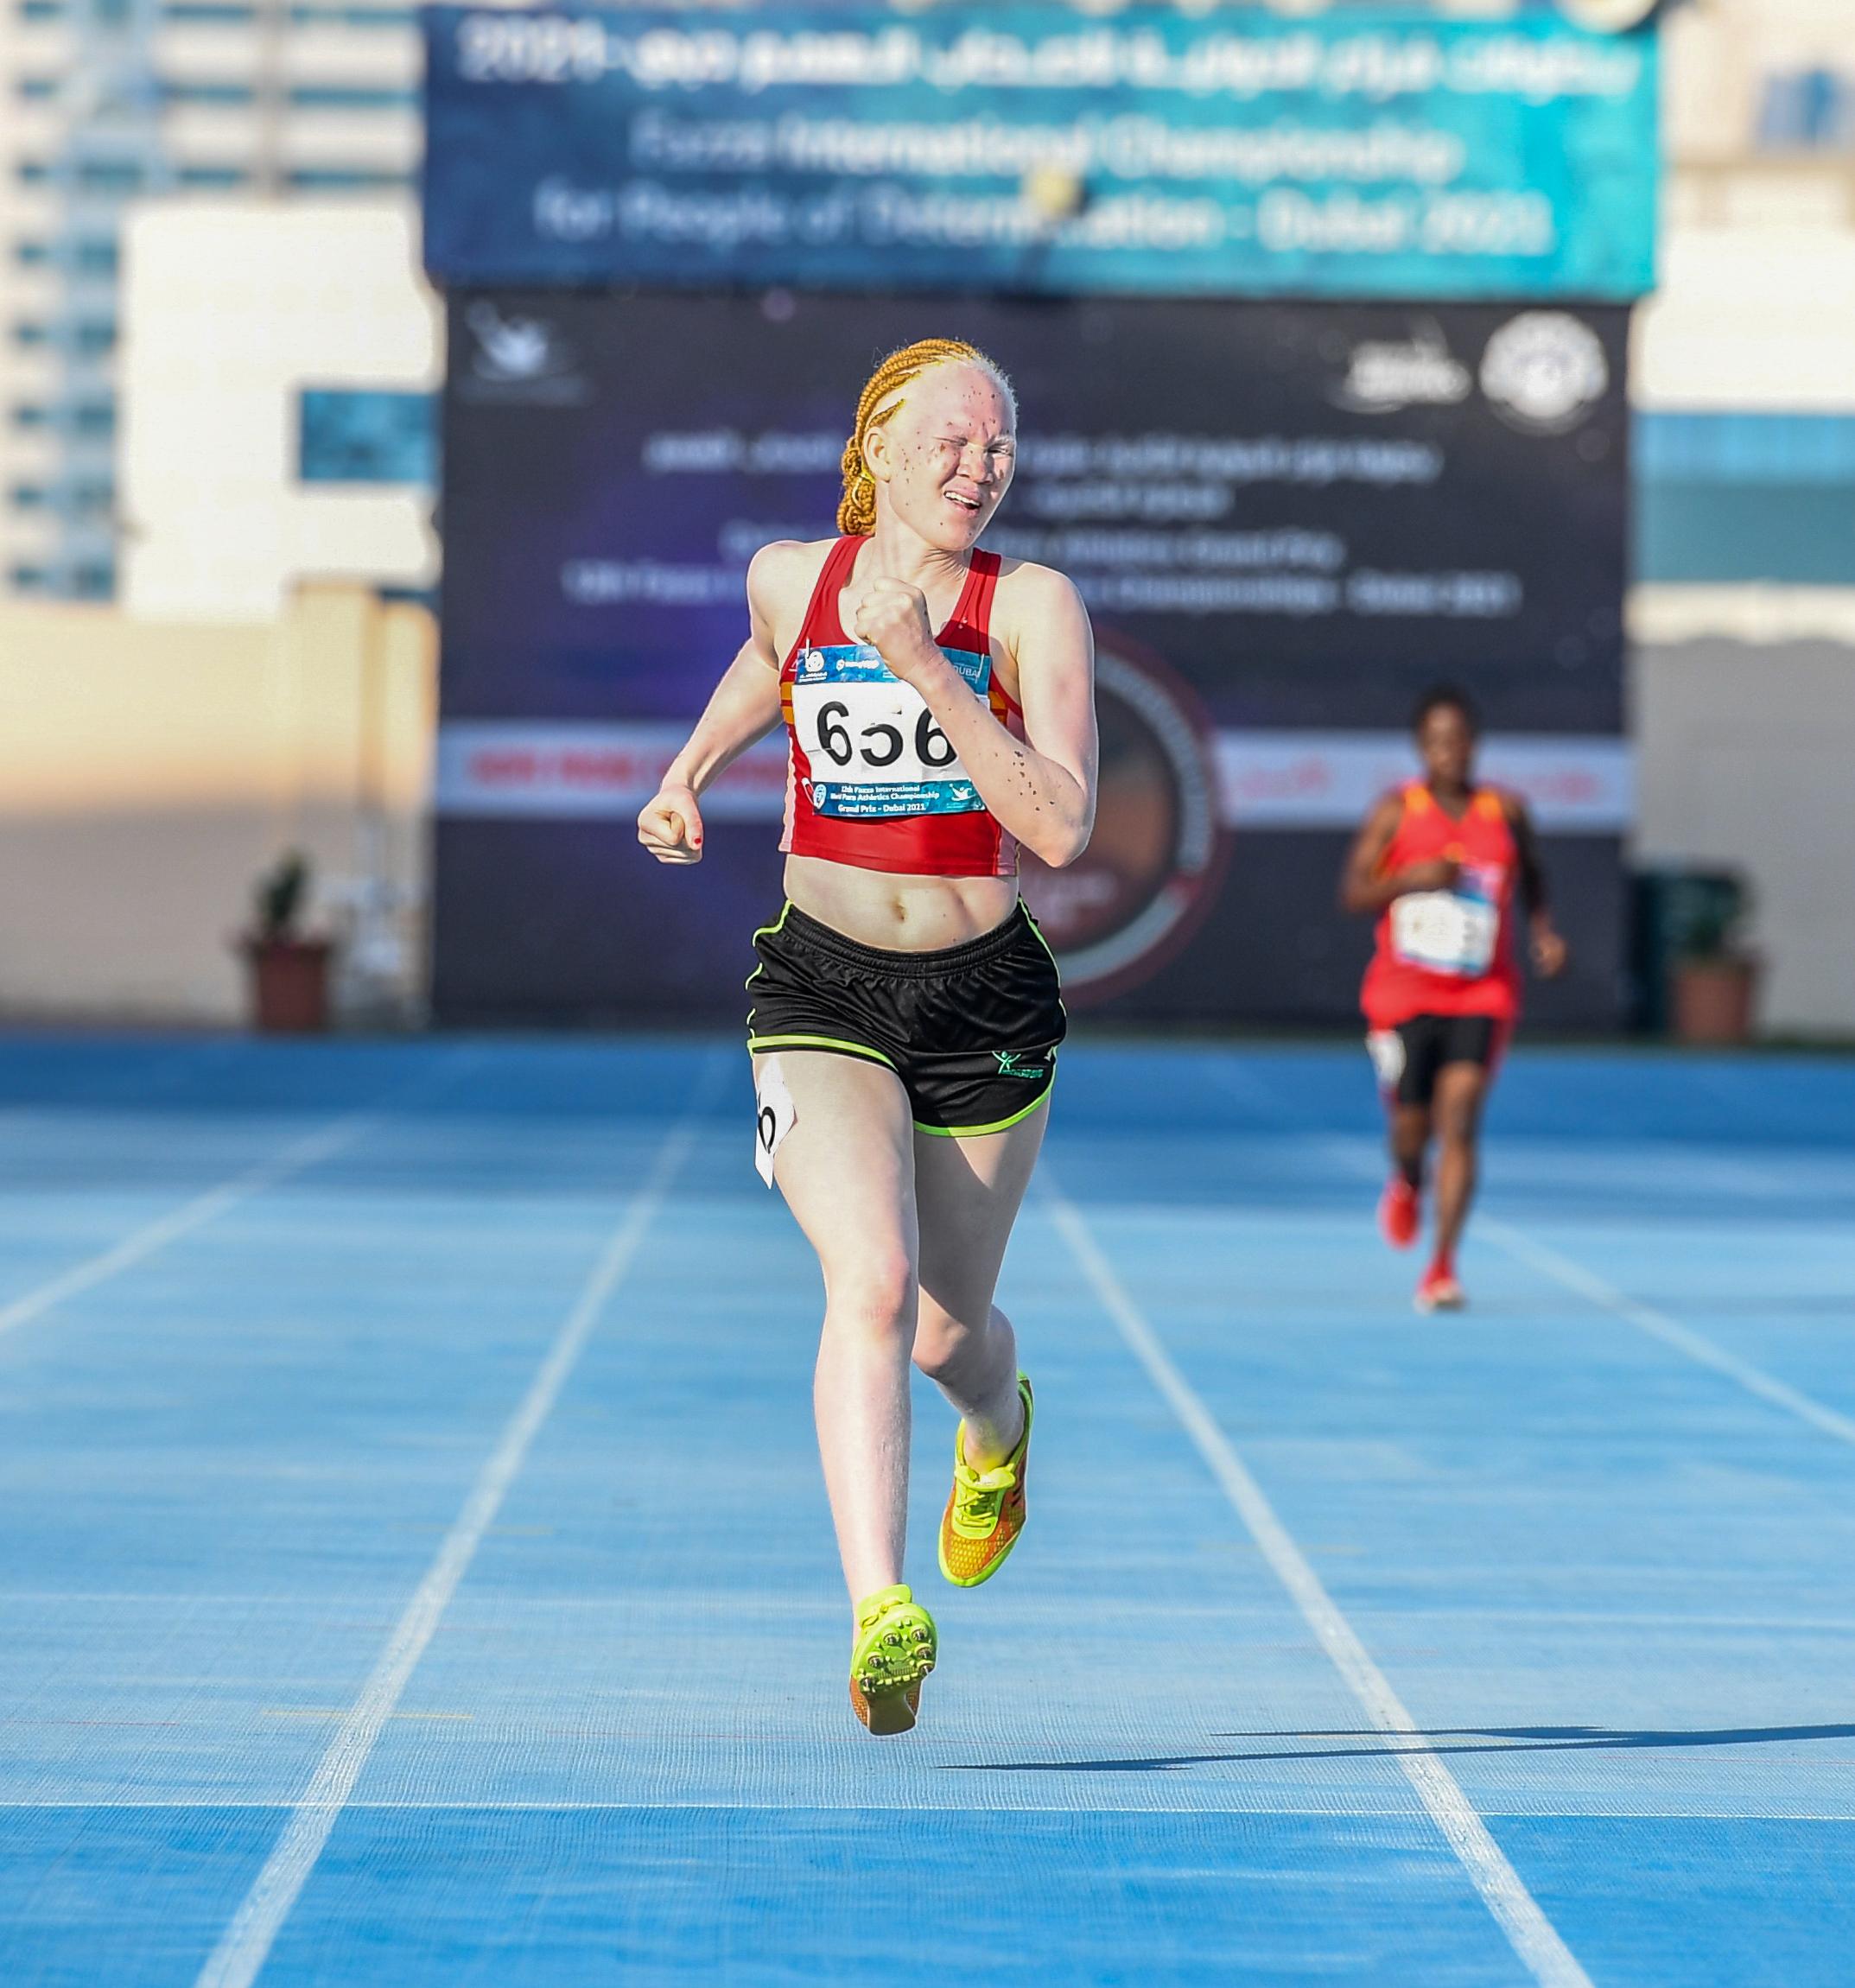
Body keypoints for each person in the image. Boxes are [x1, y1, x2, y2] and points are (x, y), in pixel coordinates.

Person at [637, 339, 1097, 1735]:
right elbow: (764, 663)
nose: (977, 467)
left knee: (947, 1332)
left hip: (981, 997)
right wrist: (686, 773)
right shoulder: (794, 575)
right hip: (825, 986)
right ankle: (878, 1609)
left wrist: (928, 668)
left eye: (997, 447)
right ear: (880, 450)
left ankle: (997, 1422)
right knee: (874, 1281)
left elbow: (1061, 826)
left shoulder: (1030, 606)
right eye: (951, 442)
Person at [1340, 686, 1566, 1312]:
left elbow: (1535, 874)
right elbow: (1353, 892)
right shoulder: (1397, 812)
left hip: (1481, 992)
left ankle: (1441, 1266)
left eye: (1460, 739)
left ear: (1474, 743)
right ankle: (1407, 1178)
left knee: (1459, 1120)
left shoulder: (1506, 811)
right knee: (1411, 1128)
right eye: (1437, 741)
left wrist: (1543, 931)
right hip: (1406, 993)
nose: (1450, 752)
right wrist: (1410, 878)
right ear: (1421, 748)